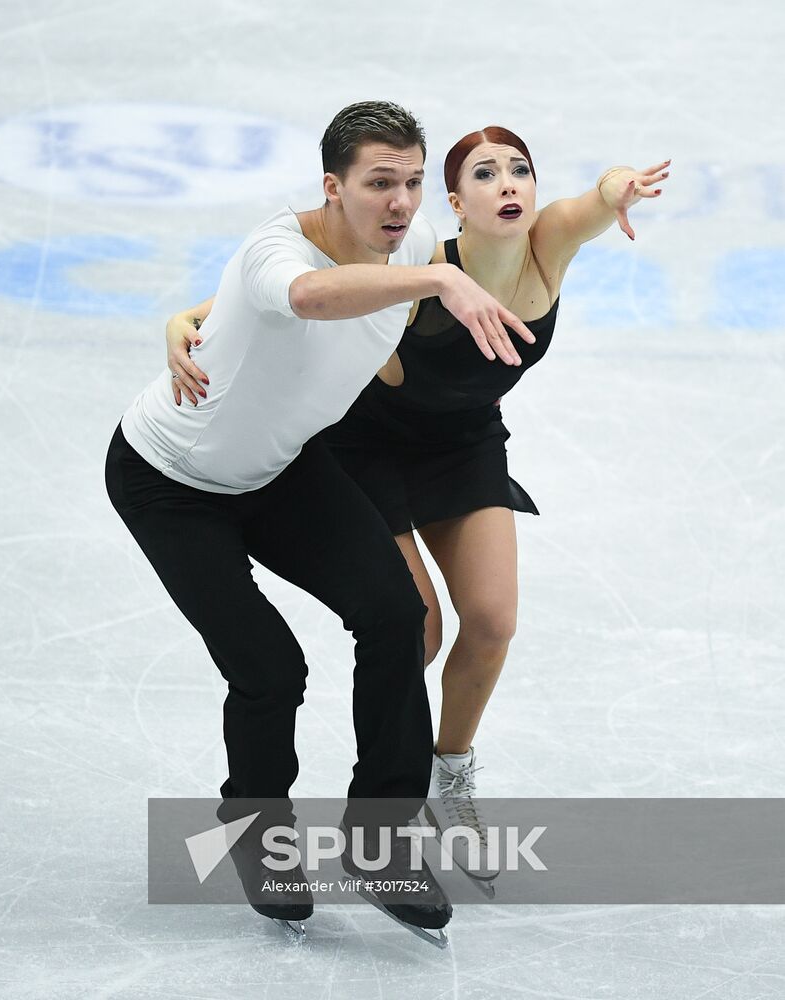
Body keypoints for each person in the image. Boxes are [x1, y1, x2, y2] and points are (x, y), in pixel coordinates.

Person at [165, 124, 670, 891]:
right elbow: (289, 293)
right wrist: (186, 318)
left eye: (519, 172)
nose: (508, 185)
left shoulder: (548, 245)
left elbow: (595, 198)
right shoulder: (424, 263)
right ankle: (374, 807)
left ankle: (450, 774)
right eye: (485, 174)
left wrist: (619, 186)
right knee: (418, 627)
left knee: (493, 621)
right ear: (454, 203)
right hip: (365, 446)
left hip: (464, 447)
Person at [105, 101, 536, 943]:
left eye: (413, 183)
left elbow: (515, 230)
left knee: (395, 615)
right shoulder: (280, 249)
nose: (402, 203)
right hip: (170, 482)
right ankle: (257, 838)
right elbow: (304, 295)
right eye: (381, 183)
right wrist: (439, 279)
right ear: (332, 188)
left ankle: (380, 841)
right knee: (270, 668)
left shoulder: (406, 247)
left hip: (281, 469)